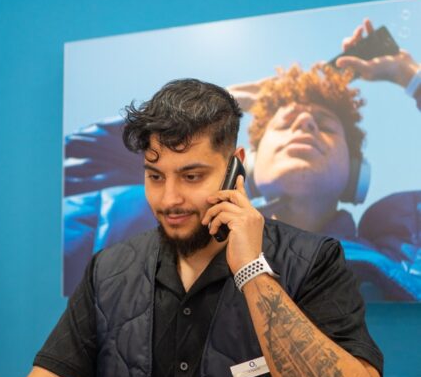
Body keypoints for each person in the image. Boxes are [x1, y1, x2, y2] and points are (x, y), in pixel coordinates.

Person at [1, 79, 384, 377]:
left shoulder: (315, 262)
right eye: (155, 177)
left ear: (236, 167)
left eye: (192, 176)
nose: (169, 199)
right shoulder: (108, 271)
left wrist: (252, 272)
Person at [63, 19, 420, 301]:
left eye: (325, 125)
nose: (306, 124)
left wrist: (411, 78)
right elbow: (81, 159)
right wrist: (221, 104)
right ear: (245, 165)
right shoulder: (121, 218)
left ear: (355, 172)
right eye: (286, 123)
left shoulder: (401, 245)